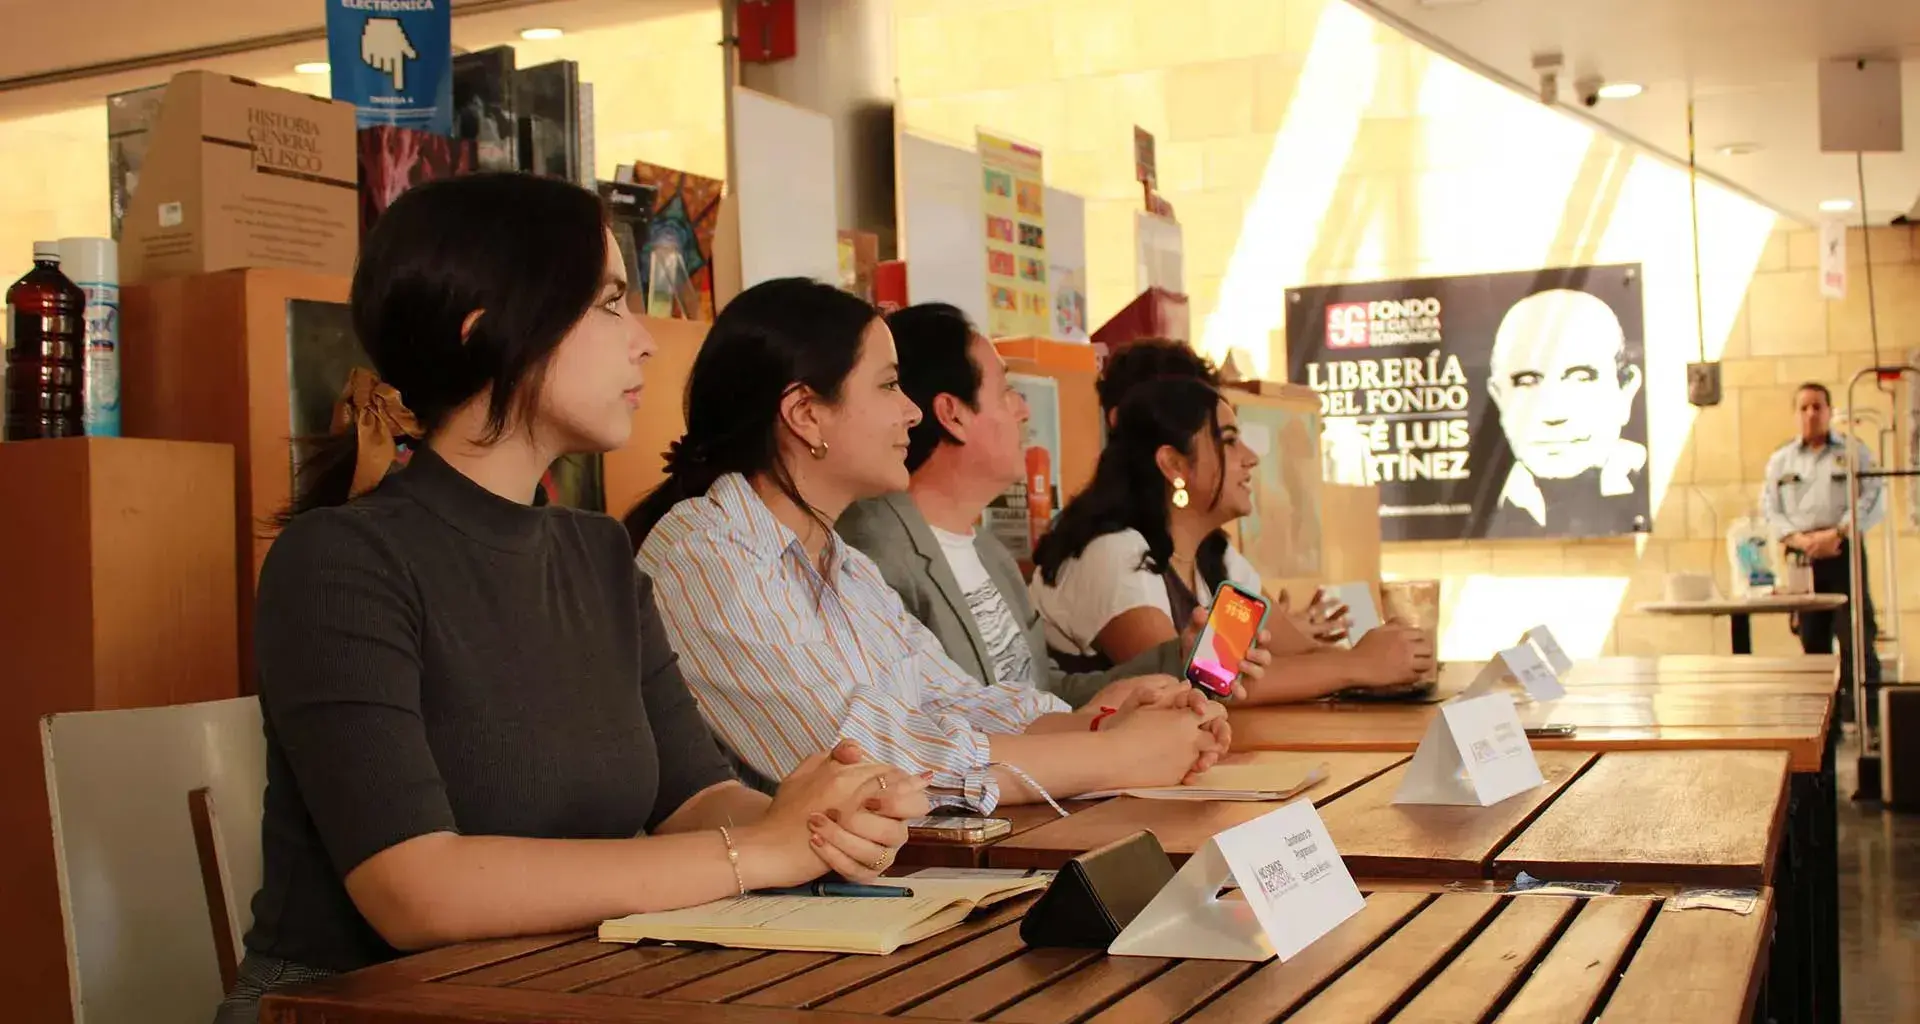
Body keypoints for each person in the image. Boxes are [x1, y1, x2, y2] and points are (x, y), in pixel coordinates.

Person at [217, 176, 929, 1023]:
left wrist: (814, 817)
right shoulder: (339, 560)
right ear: (490, 331)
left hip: (558, 991)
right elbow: (417, 890)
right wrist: (757, 853)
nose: (644, 342)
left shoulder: (597, 555)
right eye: (610, 302)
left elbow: (693, 801)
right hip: (359, 1010)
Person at [624, 279, 1229, 815]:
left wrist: (1101, 721)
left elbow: (953, 701)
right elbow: (863, 765)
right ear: (805, 413)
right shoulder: (704, 555)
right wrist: (1114, 755)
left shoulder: (843, 563)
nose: (912, 412)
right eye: (889, 385)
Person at [836, 304, 1270, 708]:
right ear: (953, 415)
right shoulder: (874, 552)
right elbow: (948, 729)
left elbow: (1045, 695)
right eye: (1006, 390)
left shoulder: (989, 552)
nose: (1023, 408)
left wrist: (1177, 659)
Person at [1084, 339, 1434, 701]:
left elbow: (1289, 657)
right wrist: (1359, 665)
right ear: (1173, 464)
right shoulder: (1114, 553)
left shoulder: (1213, 555)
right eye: (1229, 440)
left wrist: (1385, 657)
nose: (1250, 457)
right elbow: (1200, 685)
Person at [1761, 382, 1883, 723]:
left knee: (1856, 640)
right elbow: (1770, 510)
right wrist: (1800, 541)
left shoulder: (1854, 452)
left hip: (1843, 551)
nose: (1811, 414)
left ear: (1830, 411)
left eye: (1818, 407)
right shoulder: (1780, 460)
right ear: (1796, 414)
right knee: (1812, 644)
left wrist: (1838, 532)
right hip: (1802, 558)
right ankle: (1821, 729)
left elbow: (1872, 496)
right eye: (1804, 408)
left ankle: (1866, 726)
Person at [1483, 288, 1649, 538]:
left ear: (1625, 390)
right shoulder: (1483, 502)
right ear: (1499, 399)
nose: (1553, 413)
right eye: (1527, 381)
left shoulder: (1653, 487)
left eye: (1581, 378)